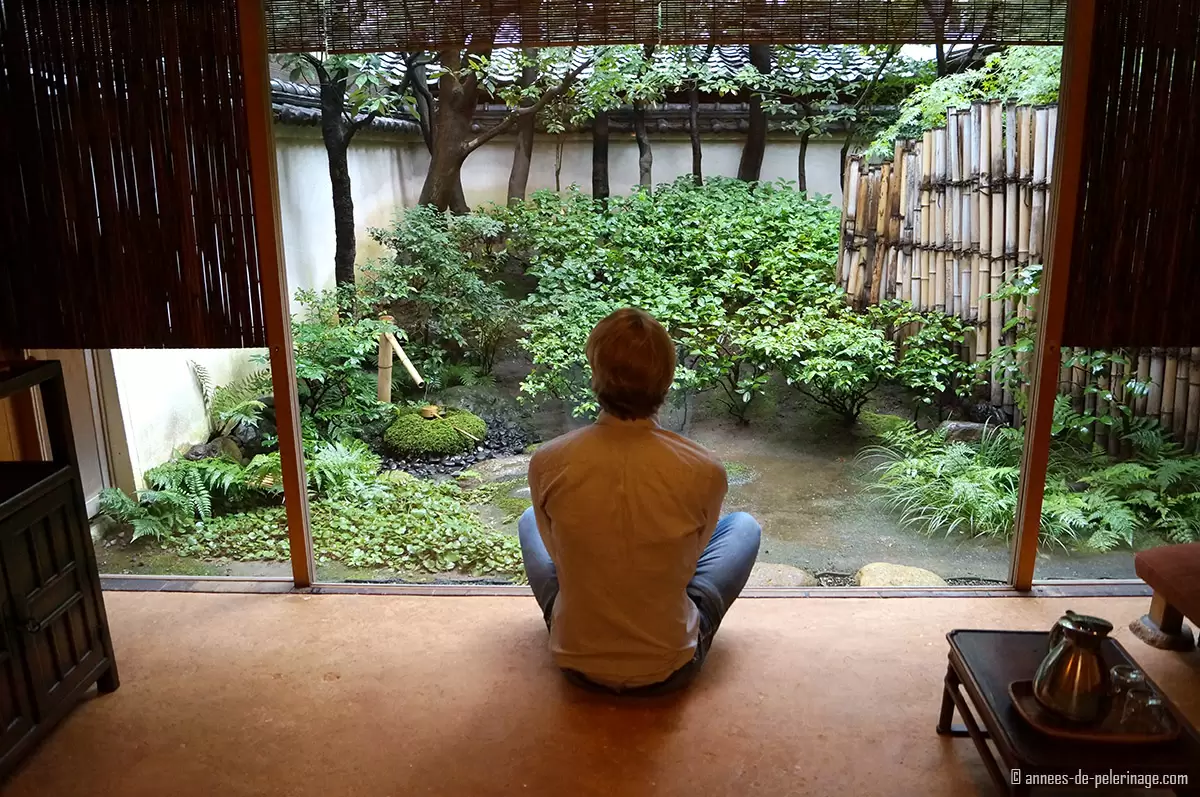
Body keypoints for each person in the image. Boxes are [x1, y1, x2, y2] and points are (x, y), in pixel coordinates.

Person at [519, 307, 761, 695]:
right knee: (744, 527)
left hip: (575, 661)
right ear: (667, 380)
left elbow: (560, 561)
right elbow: (691, 561)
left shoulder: (549, 461)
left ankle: (584, 624)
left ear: (595, 375)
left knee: (531, 518)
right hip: (671, 664)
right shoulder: (704, 468)